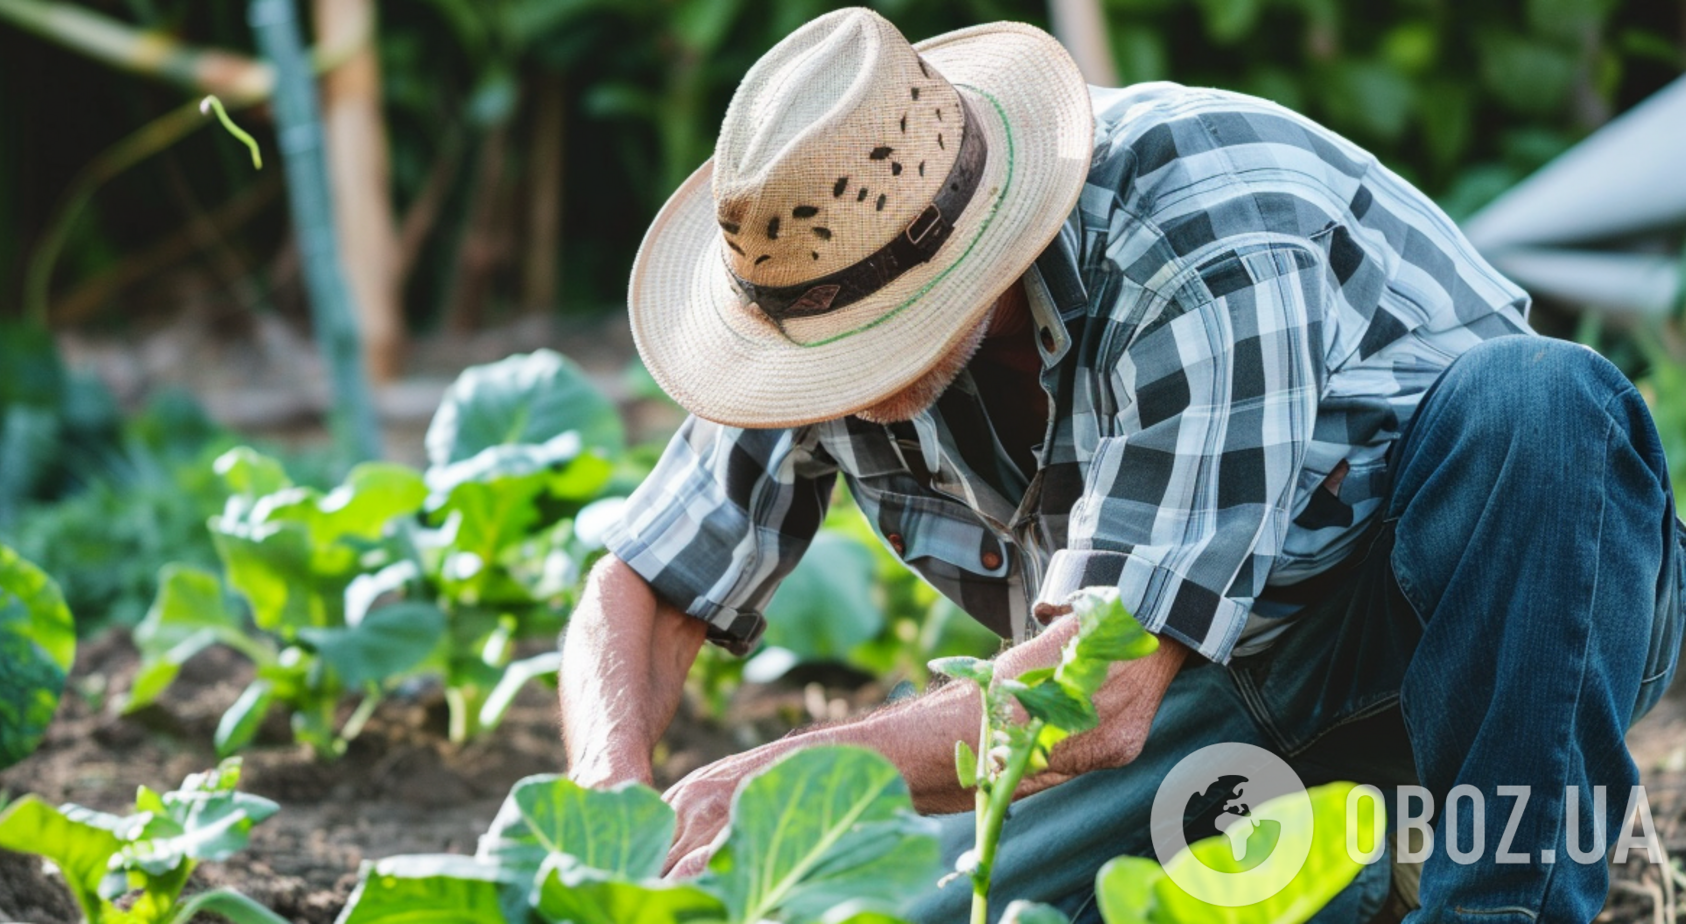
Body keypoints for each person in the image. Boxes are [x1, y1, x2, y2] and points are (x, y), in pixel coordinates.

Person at [556, 8, 1684, 922]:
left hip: (1483, 630)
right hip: (1218, 701)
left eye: (886, 333)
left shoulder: (1201, 228)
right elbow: (643, 587)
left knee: (1537, 402)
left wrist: (778, 778)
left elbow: (1098, 696)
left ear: (977, 236)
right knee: (909, 910)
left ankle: (1494, 898)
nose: (846, 378)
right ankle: (1354, 855)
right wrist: (616, 798)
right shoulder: (810, 285)